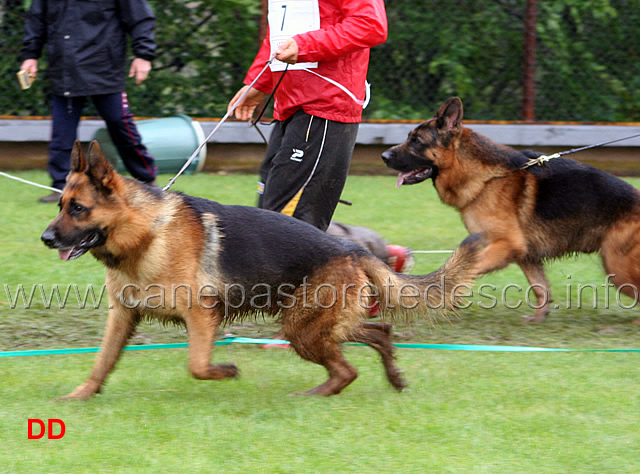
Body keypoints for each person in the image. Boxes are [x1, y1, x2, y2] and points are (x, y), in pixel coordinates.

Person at [226, 0, 412, 347]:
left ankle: (302, 323)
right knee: (272, 215)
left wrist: (307, 45)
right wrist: (258, 82)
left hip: (327, 105)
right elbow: (279, 37)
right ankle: (381, 262)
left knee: (293, 220)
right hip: (289, 105)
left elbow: (371, 25)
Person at [19, 0, 158, 203]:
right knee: (61, 135)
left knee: (121, 125)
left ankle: (147, 180)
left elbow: (141, 19)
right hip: (64, 72)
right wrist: (30, 55)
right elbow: (36, 21)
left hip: (105, 70)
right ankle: (61, 187)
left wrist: (143, 55)